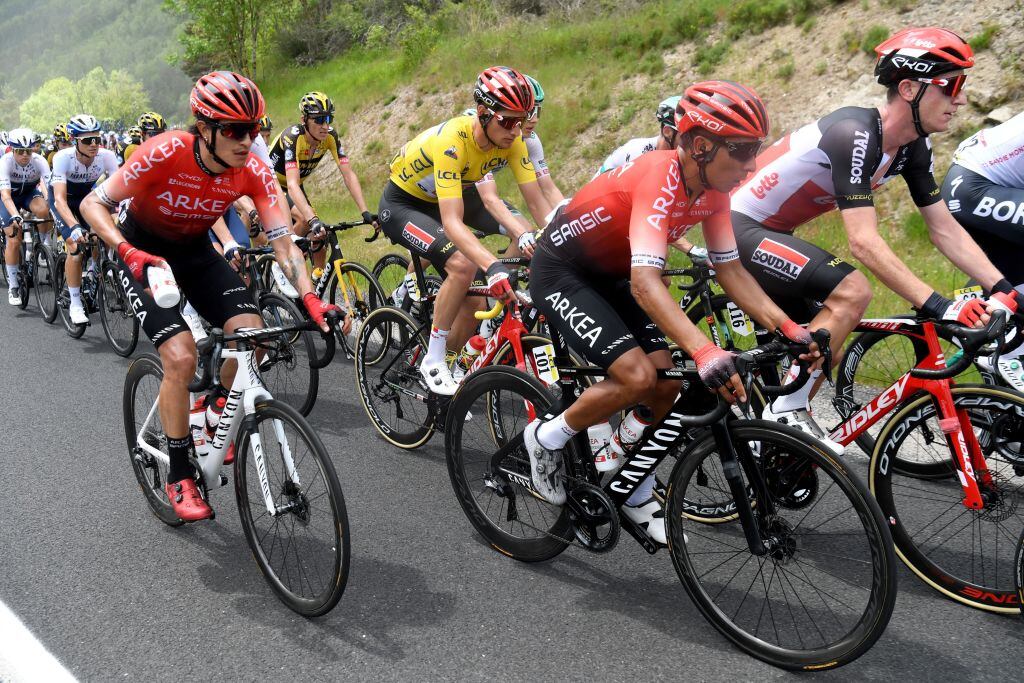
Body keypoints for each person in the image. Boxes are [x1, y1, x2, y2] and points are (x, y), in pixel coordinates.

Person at [526, 81, 817, 543]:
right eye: (740, 151)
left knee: (666, 387)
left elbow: (731, 271)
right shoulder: (659, 174)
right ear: (700, 146)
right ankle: (548, 437)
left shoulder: (714, 190)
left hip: (613, 274)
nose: (750, 164)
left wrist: (788, 328)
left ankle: (631, 483)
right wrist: (704, 351)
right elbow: (646, 283)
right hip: (562, 270)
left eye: (755, 149)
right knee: (637, 377)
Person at [730, 27, 1017, 446]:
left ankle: (771, 446)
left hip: (774, 232)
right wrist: (940, 305)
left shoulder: (912, 147)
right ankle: (785, 413)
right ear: (909, 88)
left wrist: (1004, 289)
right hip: (739, 228)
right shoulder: (855, 133)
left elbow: (943, 228)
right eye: (952, 85)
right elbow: (863, 242)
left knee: (832, 344)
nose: (962, 99)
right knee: (852, 291)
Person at [80, 71, 344, 522]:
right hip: (142, 250)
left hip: (196, 252)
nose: (248, 140)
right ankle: (179, 470)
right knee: (181, 357)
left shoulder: (254, 170)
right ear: (203, 128)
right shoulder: (164, 151)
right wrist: (127, 250)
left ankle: (216, 406)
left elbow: (284, 245)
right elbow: (92, 204)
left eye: (255, 128)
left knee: (255, 335)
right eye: (235, 131)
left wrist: (310, 298)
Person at [378, 66, 550, 394]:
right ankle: (433, 359)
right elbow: (452, 222)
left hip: (454, 192)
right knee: (463, 264)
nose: (517, 130)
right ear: (484, 113)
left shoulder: (512, 141)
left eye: (523, 119)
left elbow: (537, 204)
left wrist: (562, 237)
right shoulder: (453, 140)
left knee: (475, 304)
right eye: (509, 120)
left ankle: (450, 374)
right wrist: (492, 265)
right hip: (404, 204)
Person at [942, 110, 1024, 381]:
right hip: (972, 187)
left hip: (985, 186)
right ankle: (1000, 352)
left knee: (1014, 278)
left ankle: (980, 315)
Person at [268, 91, 376, 269]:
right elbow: (293, 184)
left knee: (320, 237)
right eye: (319, 120)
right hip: (272, 184)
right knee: (305, 219)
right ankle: (281, 258)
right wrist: (312, 219)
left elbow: (348, 175)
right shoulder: (293, 137)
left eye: (328, 119)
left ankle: (316, 285)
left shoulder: (330, 137)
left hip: (293, 186)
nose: (325, 126)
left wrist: (365, 211)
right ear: (304, 120)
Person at [597, 95, 705, 261]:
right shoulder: (638, 152)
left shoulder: (678, 162)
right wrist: (689, 248)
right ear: (668, 132)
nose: (692, 146)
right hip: (601, 217)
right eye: (686, 137)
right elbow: (646, 216)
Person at [49, 114, 120, 324]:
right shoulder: (63, 157)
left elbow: (118, 190)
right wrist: (74, 226)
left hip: (87, 199)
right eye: (88, 140)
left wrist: (120, 213)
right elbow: (60, 200)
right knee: (76, 247)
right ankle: (75, 303)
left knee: (104, 233)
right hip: (62, 201)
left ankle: (92, 273)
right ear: (75, 141)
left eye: (97, 139)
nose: (94, 145)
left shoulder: (106, 156)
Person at [1, 128, 51, 305]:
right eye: (20, 151)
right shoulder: (5, 162)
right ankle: (13, 286)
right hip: (8, 198)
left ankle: (44, 246)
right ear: (12, 150)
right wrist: (15, 215)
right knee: (14, 239)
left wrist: (54, 205)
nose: (24, 155)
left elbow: (49, 187)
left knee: (44, 210)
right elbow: (6, 196)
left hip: (29, 193)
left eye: (28, 151)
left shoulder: (40, 161)